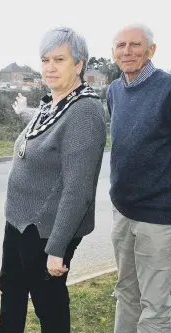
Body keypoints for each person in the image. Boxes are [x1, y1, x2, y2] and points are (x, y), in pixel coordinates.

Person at [0, 27, 107, 333]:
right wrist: (22, 111)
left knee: (48, 303)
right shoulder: (53, 104)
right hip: (19, 222)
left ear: (79, 64)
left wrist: (56, 249)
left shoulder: (85, 111)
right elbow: (40, 121)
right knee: (12, 288)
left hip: (46, 231)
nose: (50, 67)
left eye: (59, 59)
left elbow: (79, 188)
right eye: (45, 59)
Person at [107, 24, 171, 333]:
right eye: (121, 46)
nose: (127, 51)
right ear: (113, 52)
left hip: (158, 219)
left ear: (151, 50)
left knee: (157, 306)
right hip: (123, 213)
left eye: (135, 45)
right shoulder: (114, 90)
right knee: (126, 294)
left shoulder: (168, 89)